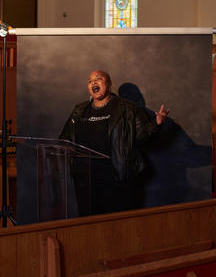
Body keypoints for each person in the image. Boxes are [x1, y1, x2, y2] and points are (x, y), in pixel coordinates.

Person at [59, 70, 169, 216]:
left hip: (115, 176)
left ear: (109, 84)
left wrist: (156, 123)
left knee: (115, 222)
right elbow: (65, 139)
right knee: (87, 221)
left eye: (98, 79)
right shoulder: (79, 110)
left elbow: (141, 137)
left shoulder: (128, 109)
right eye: (90, 81)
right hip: (85, 178)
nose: (93, 83)